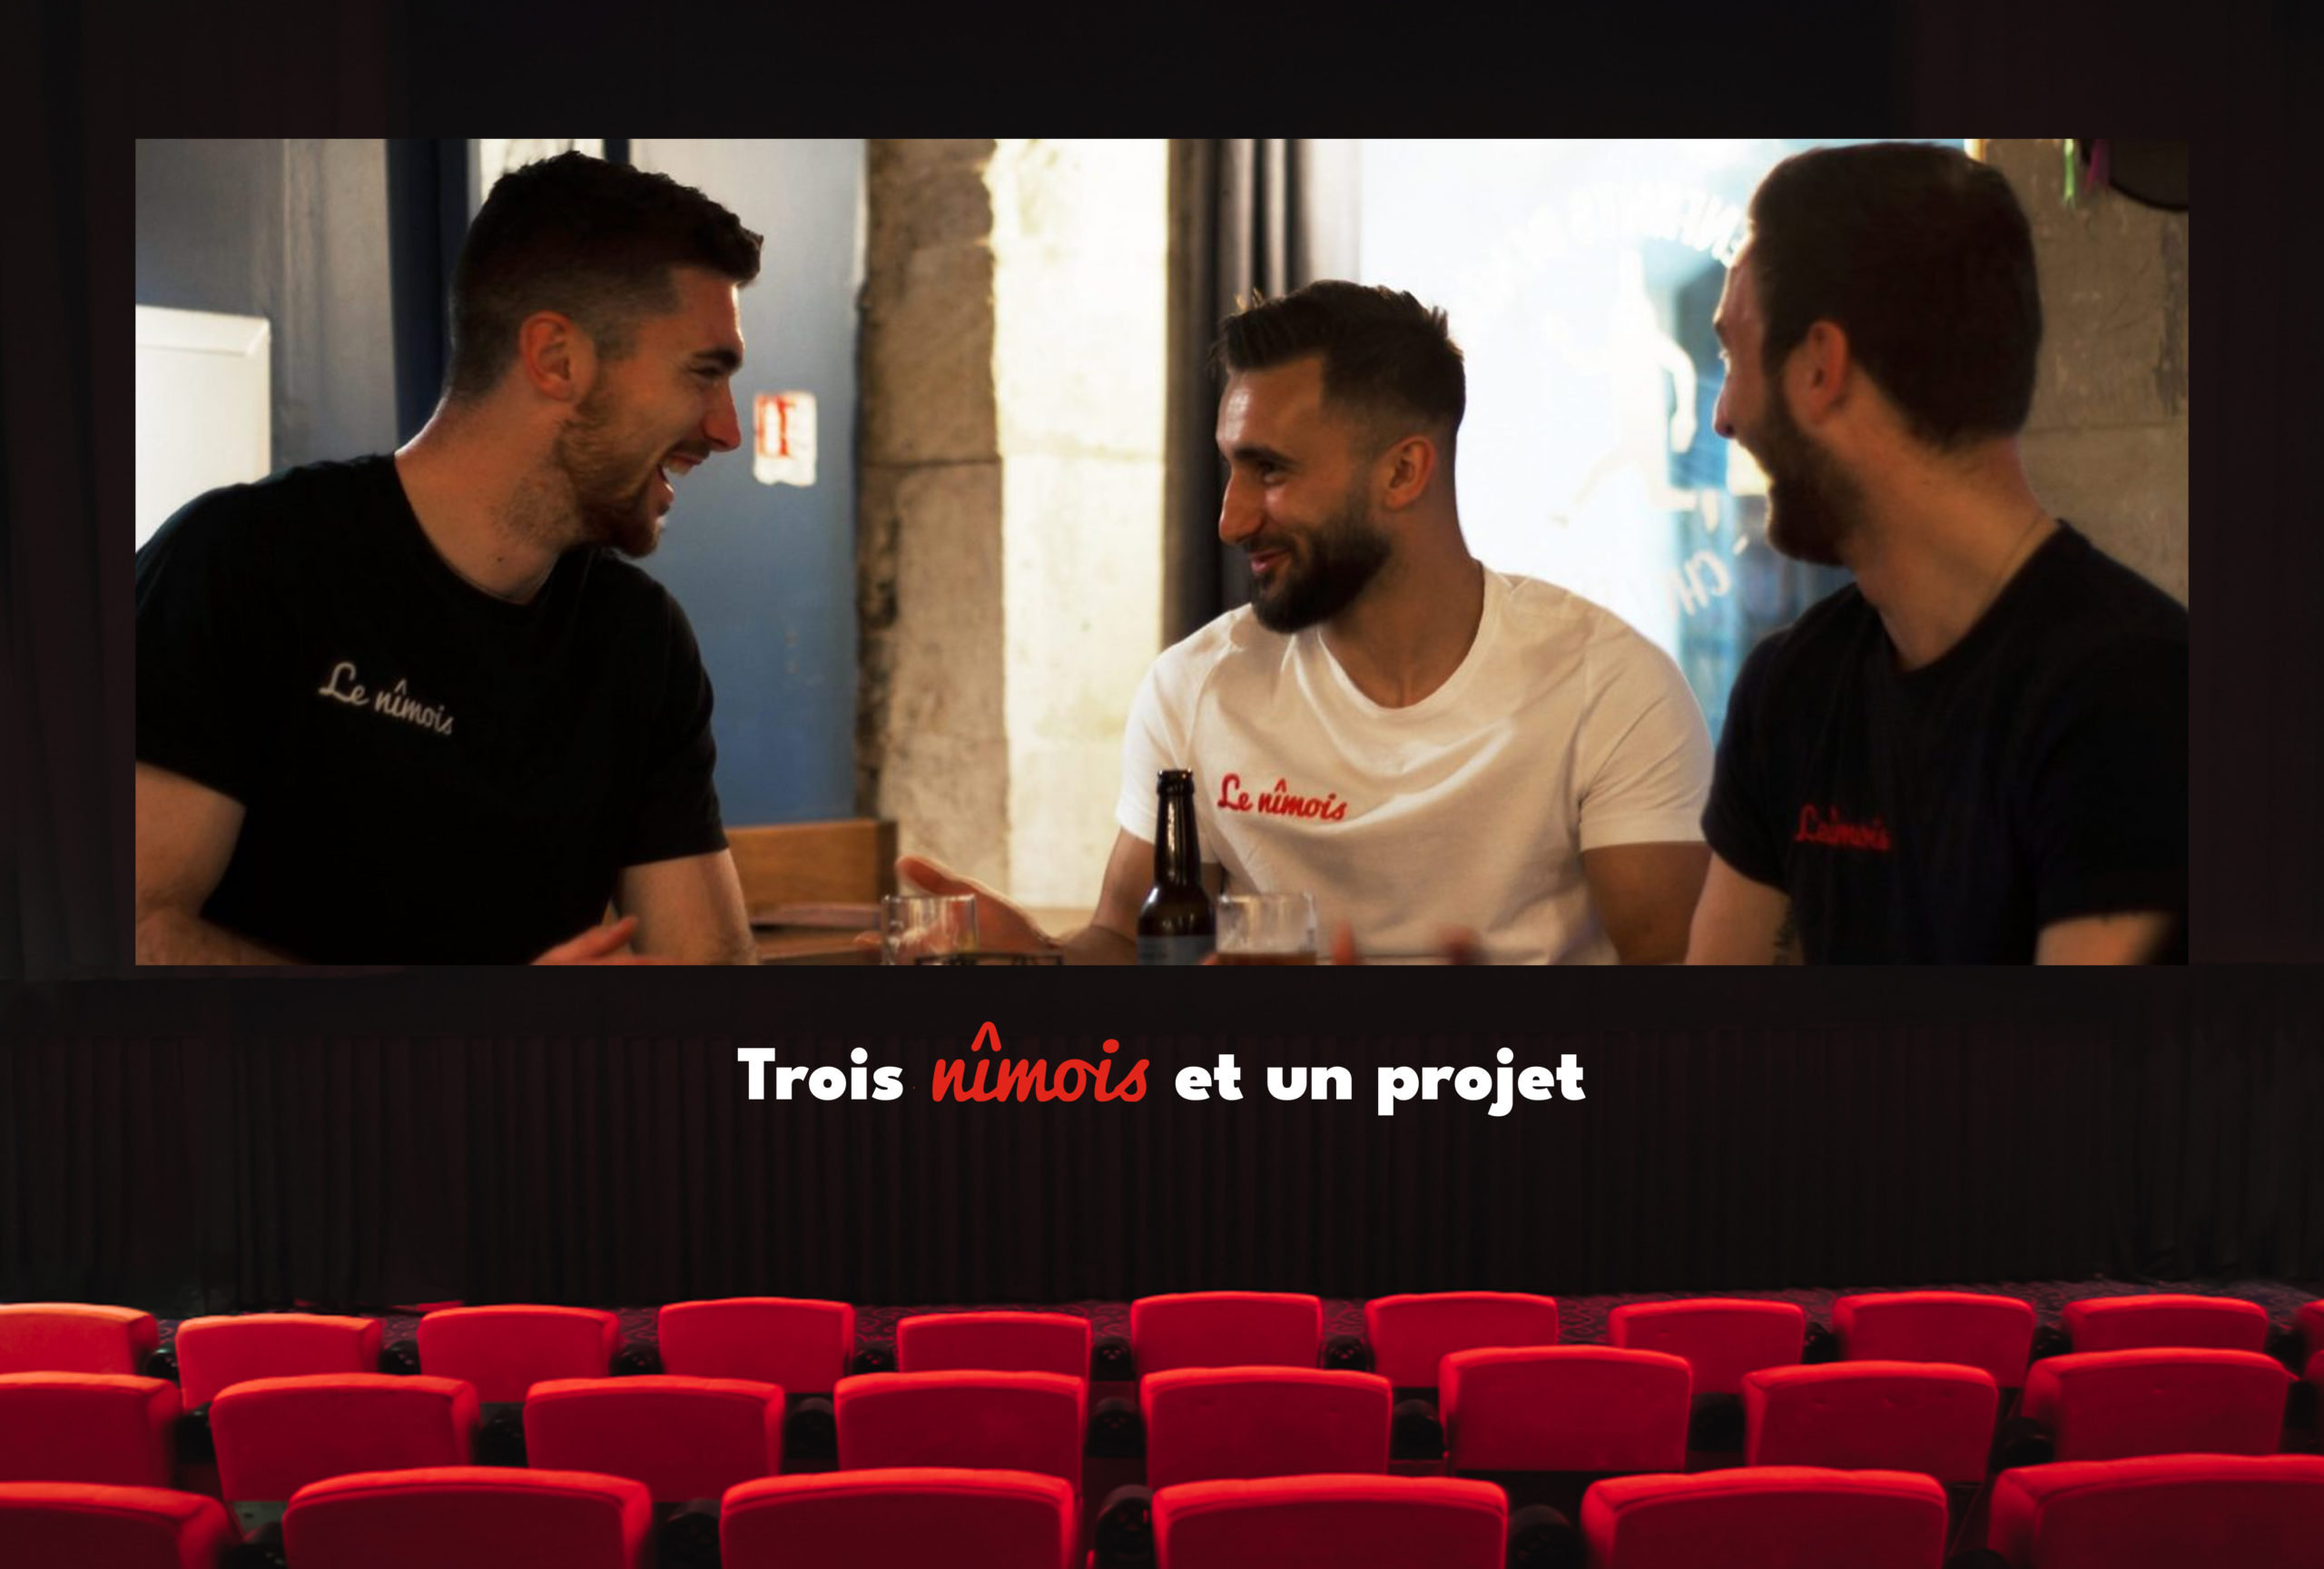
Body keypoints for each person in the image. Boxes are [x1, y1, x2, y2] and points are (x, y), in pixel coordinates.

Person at [906, 281, 1715, 964]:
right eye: (1232, 467)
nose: (1231, 519)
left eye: (1270, 470)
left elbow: (1685, 986)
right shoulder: (1197, 686)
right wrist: (1038, 959)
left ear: (1403, 470)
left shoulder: (1608, 684)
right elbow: (1124, 942)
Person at [135, 152, 762, 964]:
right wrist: (464, 1028)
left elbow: (709, 980)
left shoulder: (639, 640)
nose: (727, 430)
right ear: (557, 359)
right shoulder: (242, 562)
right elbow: (137, 934)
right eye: (703, 375)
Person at [1685, 142, 2187, 964]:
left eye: (1733, 356)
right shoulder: (1792, 691)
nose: (1724, 417)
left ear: (1820, 367)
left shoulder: (2134, 699)